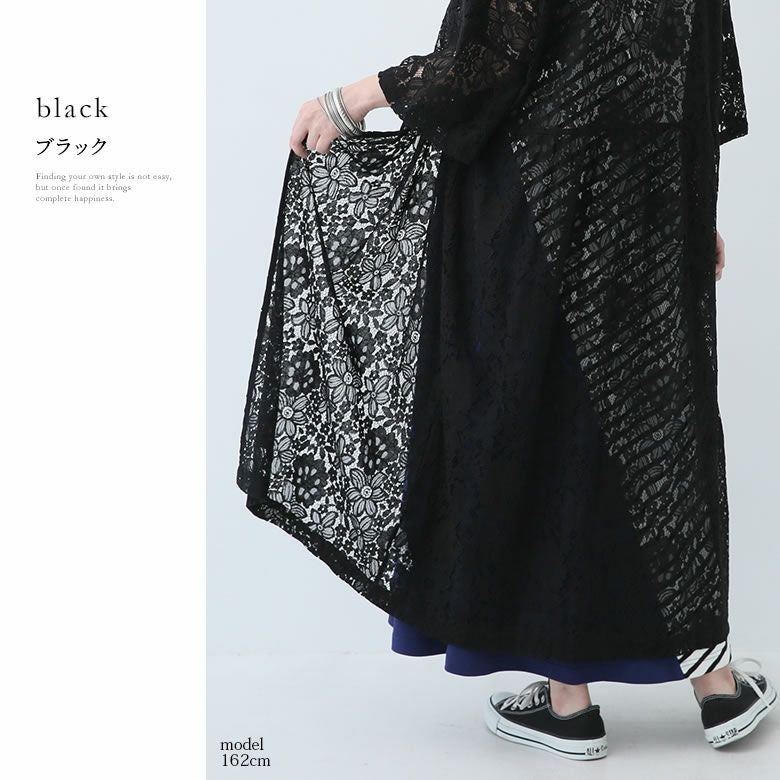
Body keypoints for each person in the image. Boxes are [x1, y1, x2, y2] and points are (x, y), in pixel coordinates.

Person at [238, 0, 776, 761]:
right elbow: (678, 74)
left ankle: (569, 703)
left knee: (542, 421)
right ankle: (715, 686)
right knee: (655, 428)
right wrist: (684, 211)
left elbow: (482, 62)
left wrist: (347, 99)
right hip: (642, 212)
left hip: (537, 212)